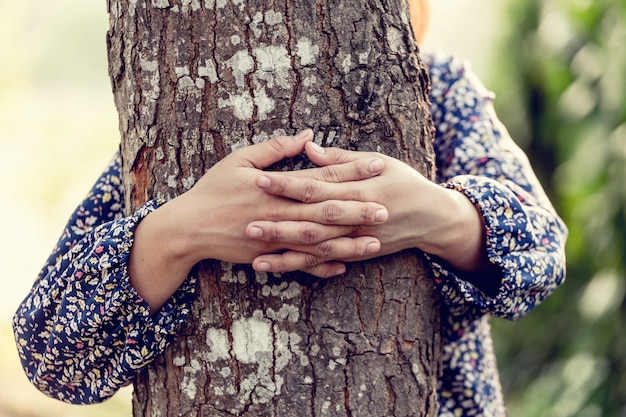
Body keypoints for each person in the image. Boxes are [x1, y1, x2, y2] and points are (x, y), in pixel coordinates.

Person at [12, 0, 567, 415]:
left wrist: (438, 215)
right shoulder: (180, 119)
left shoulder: (436, 89)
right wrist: (178, 231)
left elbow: (542, 255)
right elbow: (50, 353)